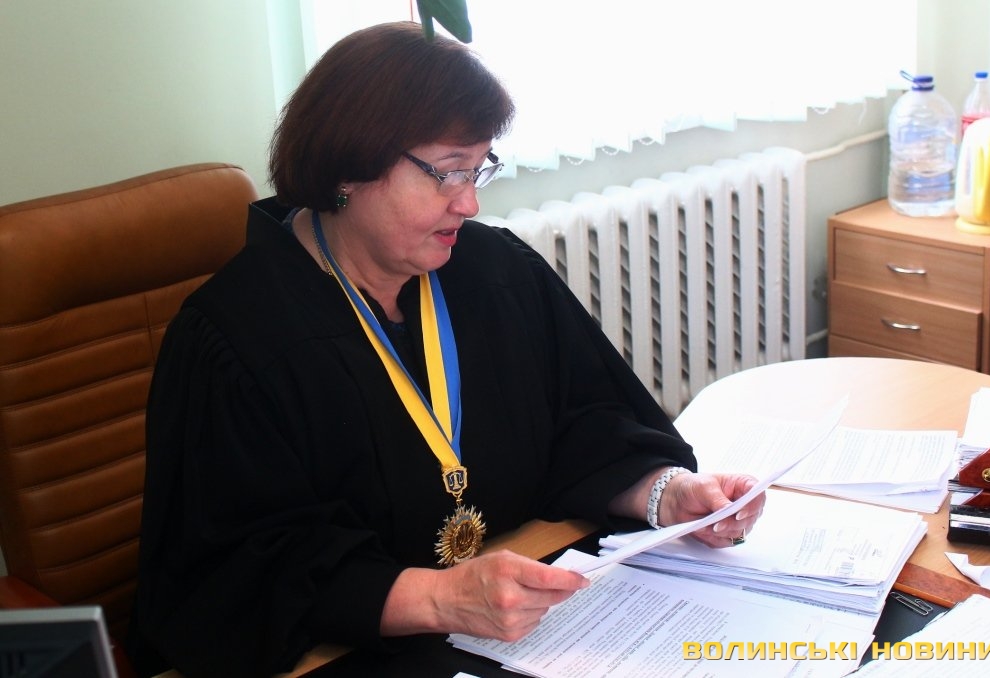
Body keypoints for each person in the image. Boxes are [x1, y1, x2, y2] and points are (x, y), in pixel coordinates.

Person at [131, 20, 765, 678]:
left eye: (479, 168)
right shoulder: (236, 339)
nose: (470, 203)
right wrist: (438, 598)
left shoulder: (496, 272)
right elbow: (239, 576)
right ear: (349, 166)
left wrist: (667, 493)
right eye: (448, 172)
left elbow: (582, 423)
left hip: (525, 631)